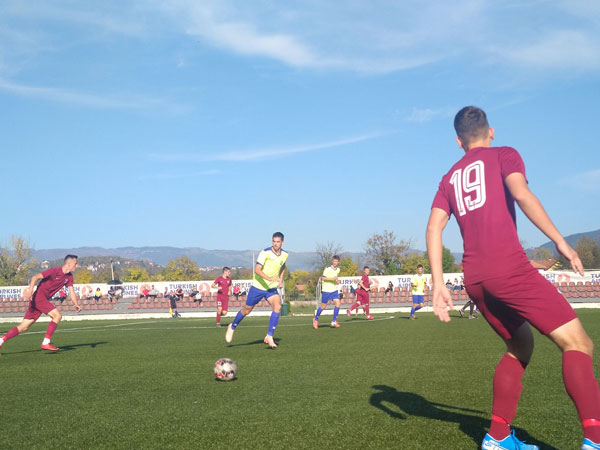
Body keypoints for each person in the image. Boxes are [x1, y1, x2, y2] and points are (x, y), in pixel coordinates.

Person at [426, 106, 600, 450]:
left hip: (476, 279)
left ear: (458, 141)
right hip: (508, 268)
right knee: (578, 344)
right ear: (491, 132)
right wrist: (561, 242)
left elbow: (433, 227)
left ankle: (498, 437)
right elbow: (521, 194)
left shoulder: (449, 178)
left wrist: (439, 284)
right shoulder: (504, 154)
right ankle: (595, 440)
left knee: (520, 346)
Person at [0, 255, 81, 353]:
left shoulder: (69, 277)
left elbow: (71, 291)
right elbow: (35, 277)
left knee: (24, 326)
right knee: (57, 316)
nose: (77, 265)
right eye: (75, 263)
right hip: (39, 297)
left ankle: (1, 340)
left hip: (39, 300)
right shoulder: (54, 271)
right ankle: (46, 342)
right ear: (69, 263)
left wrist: (76, 304)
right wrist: (30, 290)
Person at [225, 232, 288, 348]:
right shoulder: (265, 253)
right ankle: (232, 326)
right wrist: (270, 278)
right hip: (258, 287)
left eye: (278, 242)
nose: (275, 244)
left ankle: (269, 336)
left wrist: (280, 280)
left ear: (282, 242)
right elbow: (257, 270)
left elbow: (283, 266)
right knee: (247, 310)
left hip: (271, 289)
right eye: (274, 241)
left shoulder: (284, 254)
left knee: (278, 307)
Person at [313, 255, 342, 329]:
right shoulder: (328, 269)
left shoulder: (338, 269)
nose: (335, 263)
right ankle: (315, 319)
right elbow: (323, 278)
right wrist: (332, 279)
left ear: (338, 262)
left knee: (338, 303)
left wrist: (337, 281)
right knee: (323, 306)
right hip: (326, 290)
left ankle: (334, 321)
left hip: (334, 290)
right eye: (334, 261)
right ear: (332, 261)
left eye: (336, 261)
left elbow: (335, 278)